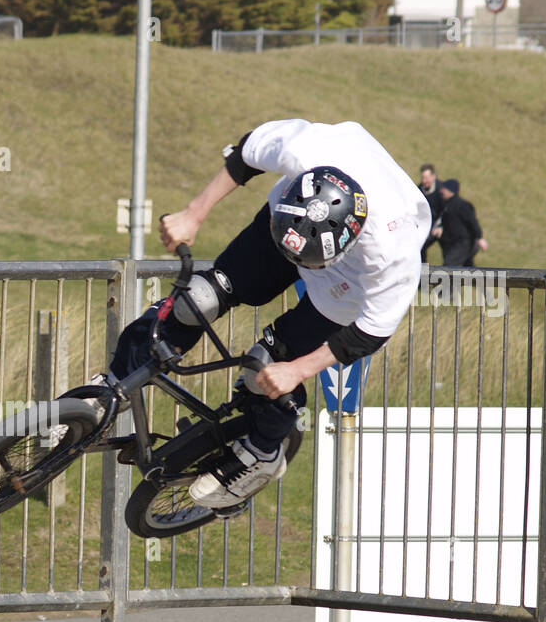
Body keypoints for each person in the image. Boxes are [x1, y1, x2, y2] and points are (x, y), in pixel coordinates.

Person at [107, 118, 429, 510]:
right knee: (200, 299)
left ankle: (262, 452)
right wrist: (193, 214)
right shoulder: (307, 148)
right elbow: (246, 155)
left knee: (268, 367)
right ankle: (110, 388)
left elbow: (370, 333)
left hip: (345, 283)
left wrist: (298, 370)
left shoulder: (393, 253)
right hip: (283, 223)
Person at [436, 179, 487, 267]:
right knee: (468, 267)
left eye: (444, 189)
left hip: (463, 243)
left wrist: (480, 238)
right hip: (453, 243)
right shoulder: (446, 204)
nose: (441, 191)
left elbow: (473, 222)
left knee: (449, 266)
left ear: (450, 190)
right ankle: (476, 280)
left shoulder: (462, 205)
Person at [417, 163, 445, 262]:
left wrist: (440, 226)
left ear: (433, 177)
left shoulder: (443, 191)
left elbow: (447, 211)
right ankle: (423, 275)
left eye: (426, 178)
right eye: (423, 178)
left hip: (442, 225)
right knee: (420, 246)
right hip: (428, 226)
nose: (424, 181)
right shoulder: (419, 190)